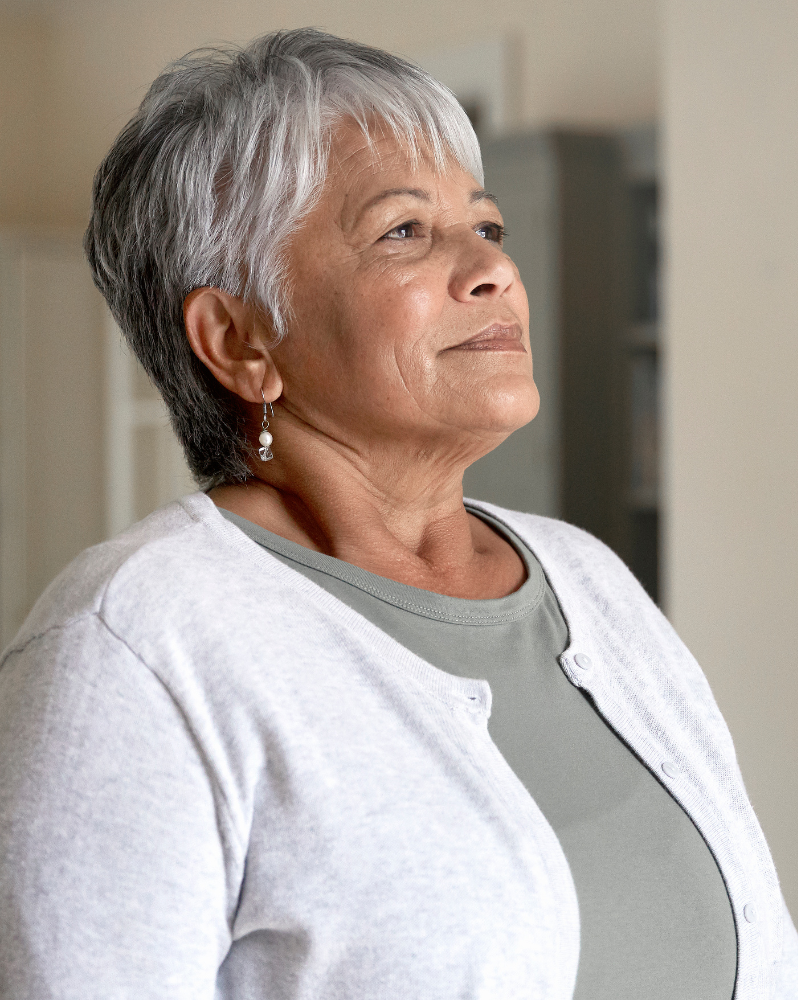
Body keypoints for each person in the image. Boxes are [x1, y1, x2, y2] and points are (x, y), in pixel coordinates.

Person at [0, 28, 795, 1000]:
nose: (492, 271)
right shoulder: (132, 646)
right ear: (242, 339)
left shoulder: (587, 579)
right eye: (404, 232)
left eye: (488, 227)